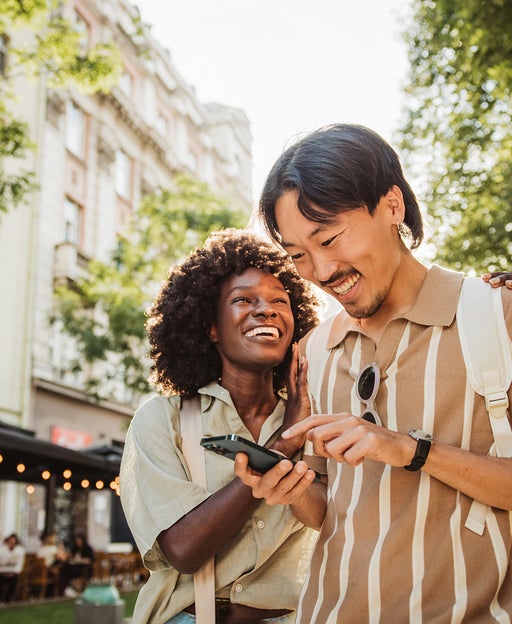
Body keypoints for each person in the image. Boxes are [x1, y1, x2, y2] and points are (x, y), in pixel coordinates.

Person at [234, 124, 512, 622]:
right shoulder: (313, 351)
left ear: (391, 205)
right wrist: (295, 492)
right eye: (298, 255)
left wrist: (408, 449)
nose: (320, 271)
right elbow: (331, 511)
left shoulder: (497, 315)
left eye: (330, 238)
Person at [120, 228, 326, 624]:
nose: (265, 310)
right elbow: (184, 550)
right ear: (210, 327)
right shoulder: (163, 421)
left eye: (279, 302)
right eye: (243, 300)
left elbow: (334, 520)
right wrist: (281, 449)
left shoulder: (319, 419)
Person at [59, 532, 94, 596]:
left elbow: (90, 560)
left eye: (79, 540)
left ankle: (74, 588)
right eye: (76, 540)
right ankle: (65, 588)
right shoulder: (75, 548)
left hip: (84, 567)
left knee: (73, 569)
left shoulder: (88, 548)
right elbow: (71, 557)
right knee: (64, 568)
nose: (78, 541)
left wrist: (81, 560)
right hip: (74, 565)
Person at [0, 533, 25, 603]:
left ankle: (9, 599)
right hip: (2, 572)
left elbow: (20, 564)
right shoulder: (2, 549)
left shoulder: (20, 550)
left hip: (13, 572)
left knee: (13, 581)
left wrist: (14, 571)